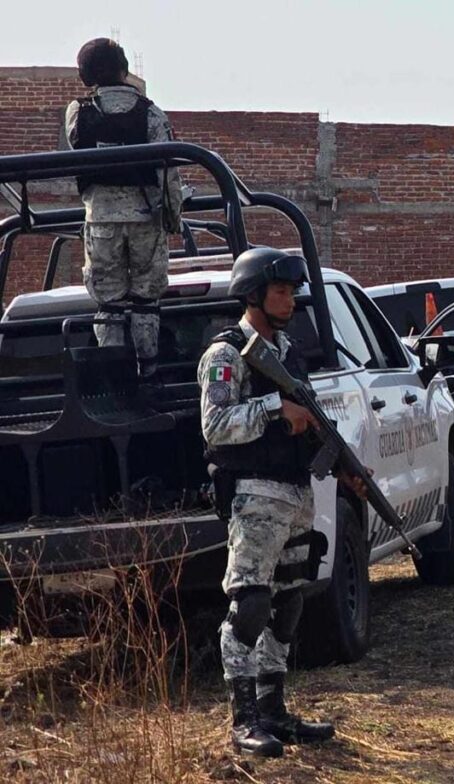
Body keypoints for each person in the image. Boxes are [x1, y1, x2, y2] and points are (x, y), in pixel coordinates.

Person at [199, 247, 367, 757]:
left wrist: (343, 469)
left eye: (293, 292)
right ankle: (243, 718)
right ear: (252, 295)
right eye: (279, 291)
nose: (289, 300)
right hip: (255, 495)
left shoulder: (288, 352)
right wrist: (276, 408)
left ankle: (274, 710)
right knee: (250, 603)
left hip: (296, 494)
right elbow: (216, 426)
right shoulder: (226, 354)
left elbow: (311, 424)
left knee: (291, 600)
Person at [65, 38, 183, 380]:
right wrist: (173, 218)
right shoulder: (152, 114)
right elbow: (168, 175)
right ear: (125, 69)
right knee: (146, 300)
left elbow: (77, 148)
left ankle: (113, 377)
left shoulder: (77, 113)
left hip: (100, 218)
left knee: (108, 303)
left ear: (85, 75)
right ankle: (148, 372)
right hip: (146, 217)